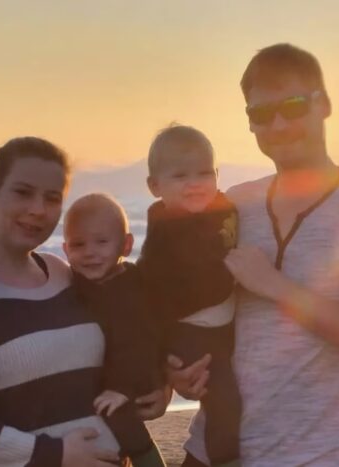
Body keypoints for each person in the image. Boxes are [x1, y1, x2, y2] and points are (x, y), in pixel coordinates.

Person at [170, 44, 339, 466]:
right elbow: (186, 302)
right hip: (212, 451)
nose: (279, 124)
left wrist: (274, 285)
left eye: (294, 106)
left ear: (325, 105)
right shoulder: (231, 205)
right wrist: (174, 370)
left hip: (319, 456)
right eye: (261, 113)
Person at [0, 137, 168, 467]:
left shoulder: (66, 274)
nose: (38, 209)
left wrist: (158, 385)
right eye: (23, 192)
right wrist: (56, 454)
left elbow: (130, 329)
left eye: (52, 198)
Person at [137, 125, 241, 467]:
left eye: (204, 173)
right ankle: (225, 460)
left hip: (219, 326)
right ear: (155, 186)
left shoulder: (219, 210)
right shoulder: (167, 231)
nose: (194, 183)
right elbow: (158, 292)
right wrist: (235, 274)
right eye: (180, 175)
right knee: (223, 397)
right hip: (189, 333)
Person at [62, 193, 167, 467]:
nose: (89, 252)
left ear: (126, 245)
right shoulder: (74, 285)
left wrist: (124, 388)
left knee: (123, 422)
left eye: (101, 242)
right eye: (78, 244)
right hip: (102, 380)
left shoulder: (134, 288)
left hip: (135, 376)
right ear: (65, 250)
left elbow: (143, 343)